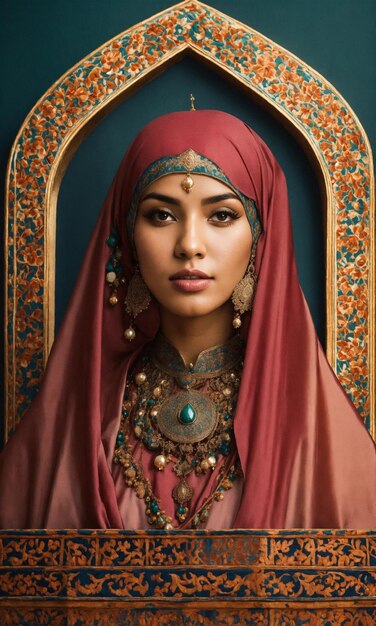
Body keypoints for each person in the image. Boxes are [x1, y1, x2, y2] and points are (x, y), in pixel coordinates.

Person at [0, 110, 375, 528]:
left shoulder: (319, 434)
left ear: (260, 238)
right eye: (161, 215)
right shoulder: (78, 419)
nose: (189, 245)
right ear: (127, 236)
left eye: (222, 216)